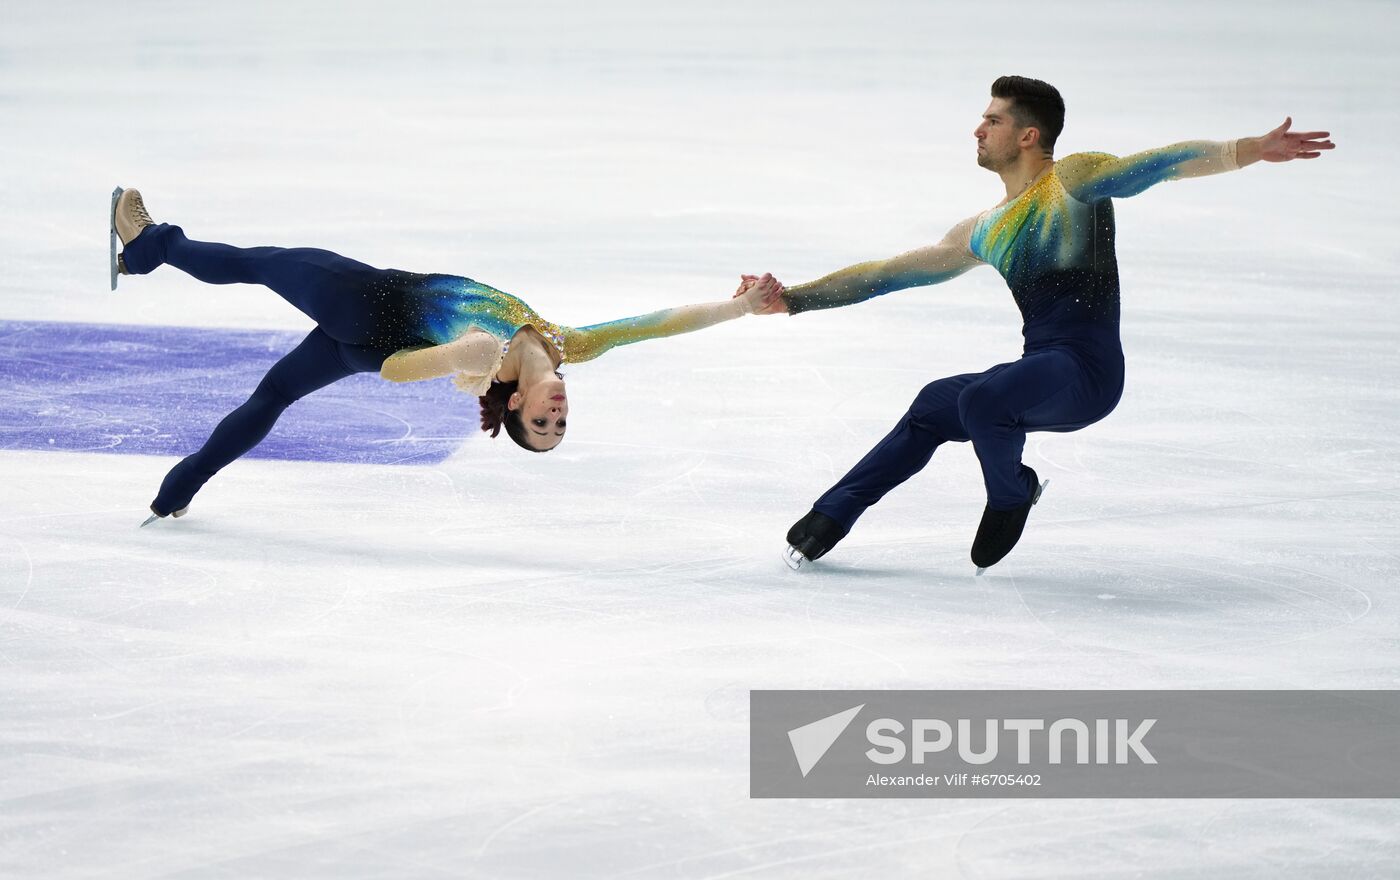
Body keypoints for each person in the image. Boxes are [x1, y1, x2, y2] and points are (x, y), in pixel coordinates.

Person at [743, 75, 1334, 572]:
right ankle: (830, 516)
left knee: (984, 399)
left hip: (1086, 374)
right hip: (1040, 371)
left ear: (1028, 135)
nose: (978, 129)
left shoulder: (1071, 181)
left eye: (992, 120)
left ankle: (1012, 494)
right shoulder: (984, 228)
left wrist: (1249, 149)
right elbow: (888, 273)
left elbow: (1154, 167)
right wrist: (792, 299)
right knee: (933, 405)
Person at [110, 189, 781, 523]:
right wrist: (738, 308)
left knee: (262, 264)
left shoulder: (485, 359)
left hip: (366, 303)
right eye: (563, 426)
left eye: (542, 427)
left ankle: (150, 244)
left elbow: (399, 371)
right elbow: (654, 325)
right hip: (367, 332)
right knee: (273, 398)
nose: (558, 416)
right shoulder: (569, 343)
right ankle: (174, 497)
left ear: (516, 406)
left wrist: (457, 356)